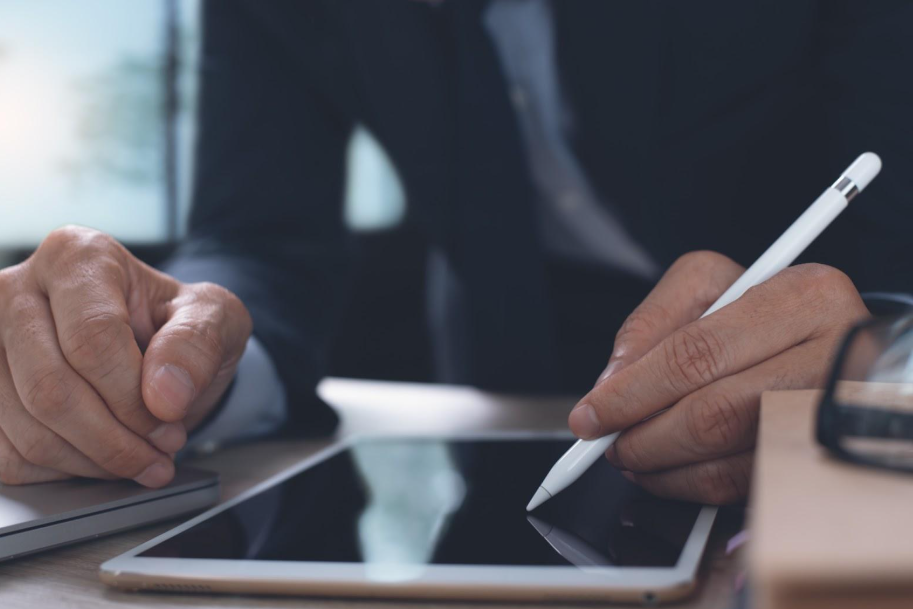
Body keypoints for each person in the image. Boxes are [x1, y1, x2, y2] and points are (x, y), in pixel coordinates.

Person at [0, 0, 911, 504]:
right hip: (508, 372)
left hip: (826, 351)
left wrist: (889, 361)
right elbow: (257, 239)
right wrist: (164, 354)